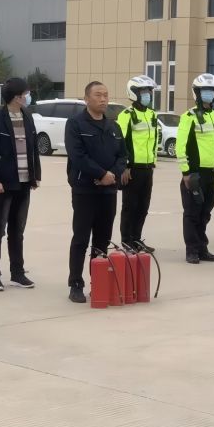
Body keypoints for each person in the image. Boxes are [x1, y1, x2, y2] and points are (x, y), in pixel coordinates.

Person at [65, 81, 127, 303]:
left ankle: (98, 282)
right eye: (98, 95)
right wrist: (101, 174)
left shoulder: (113, 127)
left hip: (108, 191)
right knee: (81, 238)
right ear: (86, 99)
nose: (103, 99)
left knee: (102, 239)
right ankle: (75, 284)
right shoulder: (75, 124)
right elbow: (77, 156)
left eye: (106, 95)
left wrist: (112, 175)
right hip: (85, 190)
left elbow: (123, 156)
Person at [0, 78, 41, 291]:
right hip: (4, 184)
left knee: (18, 231)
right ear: (17, 97)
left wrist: (36, 175)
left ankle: (17, 273)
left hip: (24, 183)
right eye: (26, 93)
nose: (28, 96)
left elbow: (33, 149)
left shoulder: (27, 116)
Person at [176, 74, 214, 264]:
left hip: (212, 173)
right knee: (192, 213)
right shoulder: (188, 117)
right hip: (195, 174)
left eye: (211, 91)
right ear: (197, 93)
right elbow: (180, 146)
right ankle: (192, 250)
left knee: (205, 213)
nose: (208, 94)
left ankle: (202, 248)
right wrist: (186, 172)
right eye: (205, 91)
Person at [116, 75, 159, 252]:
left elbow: (154, 141)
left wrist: (153, 162)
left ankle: (137, 239)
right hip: (132, 169)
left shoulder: (152, 114)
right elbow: (120, 141)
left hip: (147, 168)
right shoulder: (126, 115)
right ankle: (127, 241)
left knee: (143, 207)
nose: (147, 94)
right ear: (134, 93)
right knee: (130, 207)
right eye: (143, 91)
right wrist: (124, 166)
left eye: (149, 91)